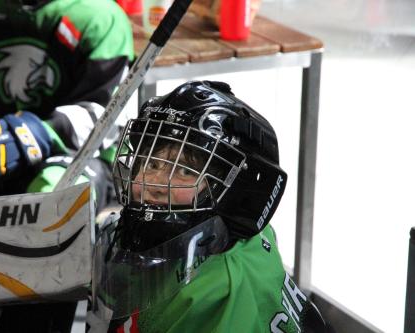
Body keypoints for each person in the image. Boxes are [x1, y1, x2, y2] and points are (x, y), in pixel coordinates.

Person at [0, 0, 134, 331]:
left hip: (72, 156)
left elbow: (103, 117)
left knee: (54, 199)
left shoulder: (98, 18)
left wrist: (41, 133)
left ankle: (29, 321)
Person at [89, 80, 334, 332]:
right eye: (151, 164)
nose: (156, 183)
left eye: (184, 170)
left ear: (231, 190)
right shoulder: (225, 238)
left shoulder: (218, 293)